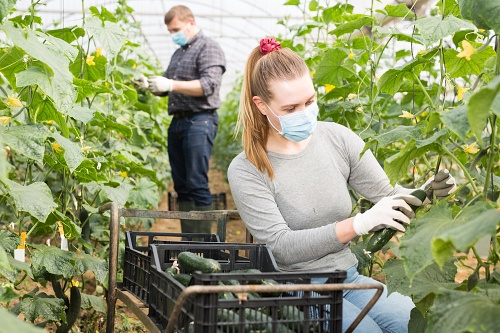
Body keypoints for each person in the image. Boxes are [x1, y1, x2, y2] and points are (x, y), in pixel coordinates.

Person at [227, 38, 456, 333]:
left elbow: (387, 196)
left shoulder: (337, 138)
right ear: (261, 105)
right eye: (291, 107)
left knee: (417, 324)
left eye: (310, 102)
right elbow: (281, 247)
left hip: (348, 277)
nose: (305, 113)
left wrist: (426, 192)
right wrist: (358, 224)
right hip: (295, 290)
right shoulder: (247, 168)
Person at [142, 5, 226, 233]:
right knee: (181, 184)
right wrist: (151, 85)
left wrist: (170, 84)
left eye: (176, 29)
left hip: (200, 120)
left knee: (196, 182)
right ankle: (189, 243)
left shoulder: (209, 47)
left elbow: (209, 85)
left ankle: (205, 246)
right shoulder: (179, 54)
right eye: (170, 31)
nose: (173, 35)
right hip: (178, 122)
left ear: (191, 22)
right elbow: (167, 86)